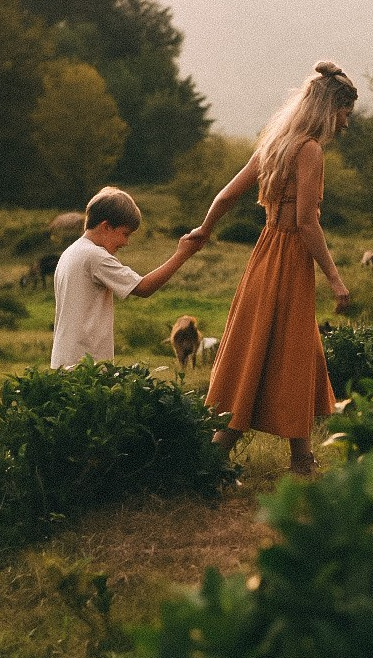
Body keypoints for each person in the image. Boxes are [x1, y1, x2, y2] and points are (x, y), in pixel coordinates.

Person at [189, 61, 357, 476]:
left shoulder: (275, 145)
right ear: (330, 110)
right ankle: (221, 453)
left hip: (264, 254)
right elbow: (305, 222)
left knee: (282, 346)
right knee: (283, 348)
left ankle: (300, 456)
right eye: (345, 115)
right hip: (291, 258)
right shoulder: (310, 150)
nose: (345, 125)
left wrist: (204, 230)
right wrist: (335, 278)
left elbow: (225, 196)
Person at [51, 186, 203, 370]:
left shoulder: (71, 252)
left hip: (64, 360)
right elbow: (144, 288)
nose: (125, 242)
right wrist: (182, 254)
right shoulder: (95, 256)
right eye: (125, 234)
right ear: (106, 226)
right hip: (86, 365)